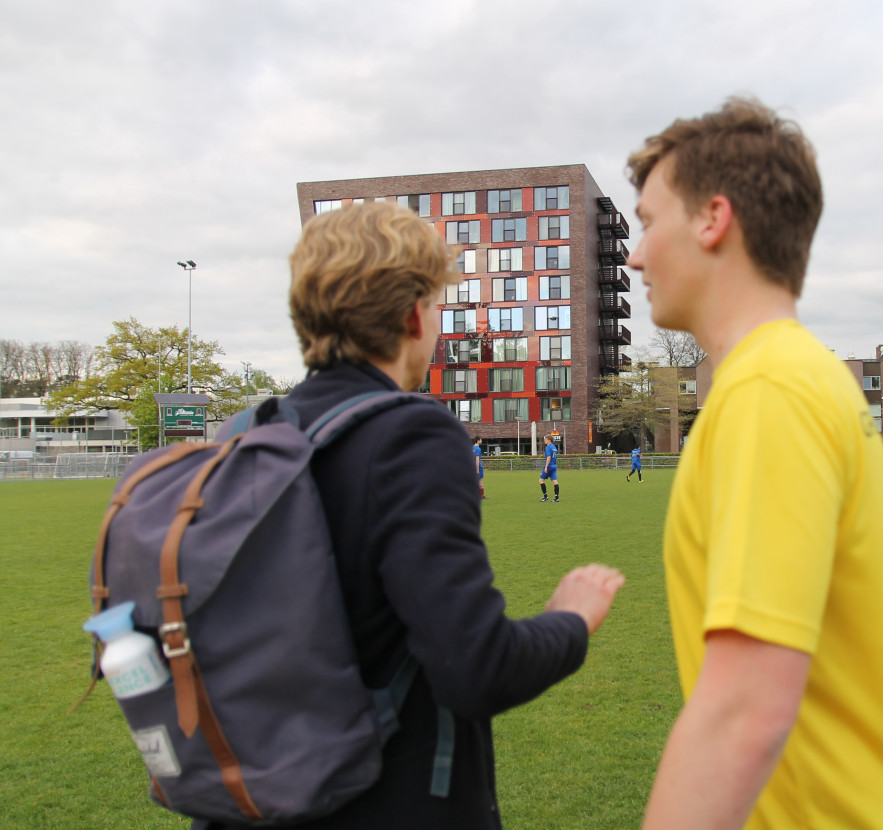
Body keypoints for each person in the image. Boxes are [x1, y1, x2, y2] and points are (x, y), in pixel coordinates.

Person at [198, 201, 624, 830]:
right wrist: (572, 618)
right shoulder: (410, 435)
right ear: (410, 314)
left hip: (250, 799)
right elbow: (477, 669)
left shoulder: (241, 438)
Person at [626, 98, 883, 830]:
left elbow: (744, 711)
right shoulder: (793, 376)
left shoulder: (770, 388)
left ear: (712, 219)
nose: (635, 254)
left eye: (647, 222)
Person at [539, 434, 559, 502]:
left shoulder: (548, 447)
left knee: (541, 481)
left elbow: (548, 457)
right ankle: (557, 497)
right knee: (555, 481)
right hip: (554, 466)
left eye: (546, 439)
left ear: (549, 440)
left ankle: (545, 497)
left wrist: (546, 467)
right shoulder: (554, 447)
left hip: (549, 466)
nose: (545, 440)